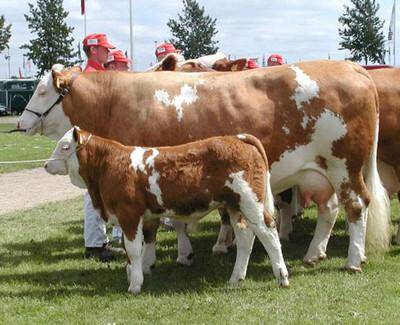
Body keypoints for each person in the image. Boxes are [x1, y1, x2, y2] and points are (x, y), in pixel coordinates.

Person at [81, 33, 119, 262]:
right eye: (104, 48)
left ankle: (98, 242)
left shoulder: (98, 75)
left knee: (99, 194)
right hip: (96, 142)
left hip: (100, 142)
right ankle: (94, 245)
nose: (108, 52)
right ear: (93, 50)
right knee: (93, 194)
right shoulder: (90, 78)